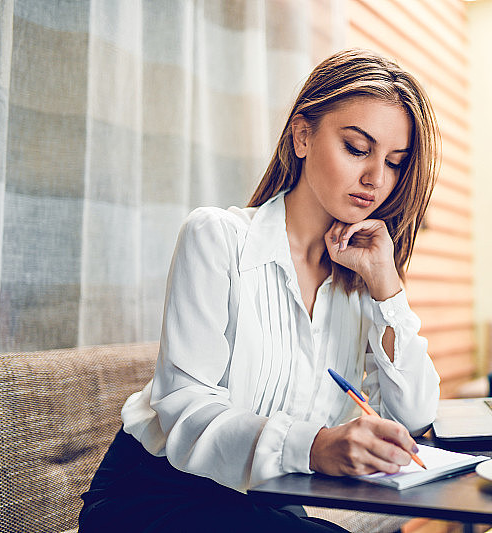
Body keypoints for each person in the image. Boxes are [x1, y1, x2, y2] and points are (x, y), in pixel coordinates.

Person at [79, 48, 441, 532]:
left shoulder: (359, 280)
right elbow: (186, 414)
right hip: (155, 495)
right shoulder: (215, 238)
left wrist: (387, 284)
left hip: (261, 500)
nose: (376, 179)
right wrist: (315, 445)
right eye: (357, 148)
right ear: (302, 135)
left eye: (394, 163)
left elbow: (414, 413)